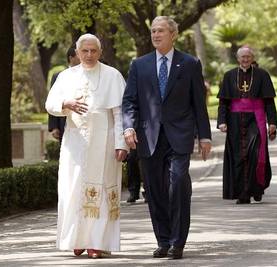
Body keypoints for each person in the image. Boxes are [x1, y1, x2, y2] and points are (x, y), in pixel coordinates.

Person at [122, 16, 212, 260]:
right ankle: (163, 240)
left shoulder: (190, 63)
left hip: (179, 136)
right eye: (153, 31)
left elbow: (198, 104)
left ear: (174, 34)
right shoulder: (139, 65)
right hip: (148, 137)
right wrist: (128, 128)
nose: (155, 35)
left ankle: (177, 242)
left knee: (178, 184)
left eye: (160, 31)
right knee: (154, 190)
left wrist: (204, 136)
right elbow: (129, 101)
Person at [45, 33, 128, 258]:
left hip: (105, 142)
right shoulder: (66, 76)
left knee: (101, 190)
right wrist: (66, 103)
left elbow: (120, 113)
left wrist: (122, 144)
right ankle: (76, 239)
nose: (89, 55)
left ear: (100, 52)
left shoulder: (113, 75)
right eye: (85, 51)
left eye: (93, 51)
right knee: (72, 190)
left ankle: (97, 242)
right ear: (77, 53)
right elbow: (50, 104)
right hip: (75, 143)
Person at [217, 46, 277, 204]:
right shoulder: (229, 76)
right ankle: (243, 193)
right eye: (242, 57)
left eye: (248, 57)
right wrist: (222, 121)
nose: (245, 60)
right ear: (238, 59)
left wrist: (272, 123)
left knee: (255, 155)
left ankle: (256, 188)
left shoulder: (262, 75)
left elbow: (269, 102)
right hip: (235, 121)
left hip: (255, 120)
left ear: (252, 58)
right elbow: (223, 102)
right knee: (238, 156)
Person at [48, 46, 80, 142]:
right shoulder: (59, 76)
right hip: (64, 123)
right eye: (79, 55)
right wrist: (54, 127)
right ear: (71, 58)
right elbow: (53, 100)